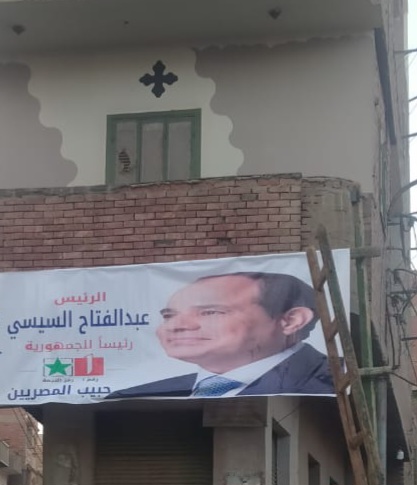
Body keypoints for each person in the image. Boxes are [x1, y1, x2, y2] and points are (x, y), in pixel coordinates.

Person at [107, 272, 335, 399]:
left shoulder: (339, 385)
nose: (176, 326)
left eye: (210, 312)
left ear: (291, 320)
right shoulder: (132, 398)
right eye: (169, 315)